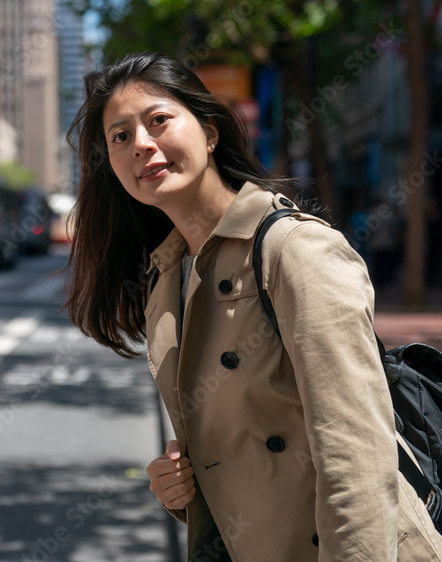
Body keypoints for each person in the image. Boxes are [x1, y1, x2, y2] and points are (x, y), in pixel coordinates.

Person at [63, 52, 442, 560]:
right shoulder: (167, 277)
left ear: (210, 132)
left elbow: (356, 455)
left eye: (158, 120)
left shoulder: (294, 251)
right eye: (120, 136)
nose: (142, 145)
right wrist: (182, 486)